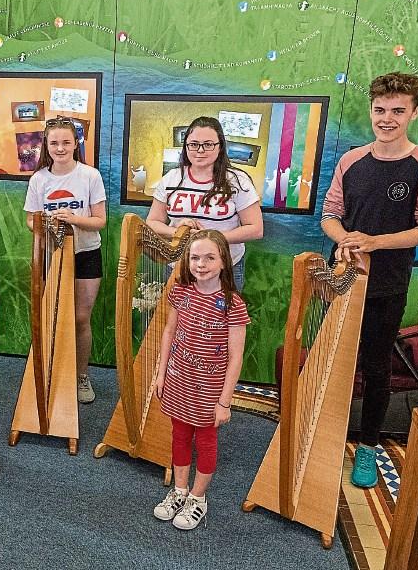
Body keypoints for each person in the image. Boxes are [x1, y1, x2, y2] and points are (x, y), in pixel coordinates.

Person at [321, 71, 418, 489]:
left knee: (376, 367)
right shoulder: (351, 161)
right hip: (342, 278)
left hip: (388, 283)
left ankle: (367, 446)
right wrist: (345, 238)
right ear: (371, 110)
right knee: (334, 359)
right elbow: (330, 215)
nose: (387, 118)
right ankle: (326, 433)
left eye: (398, 111)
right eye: (380, 110)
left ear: (414, 113)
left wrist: (375, 242)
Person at [152, 229, 249, 530]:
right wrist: (161, 373)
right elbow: (169, 332)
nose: (201, 264)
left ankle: (198, 498)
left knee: (205, 442)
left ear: (224, 261)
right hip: (178, 379)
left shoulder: (233, 304)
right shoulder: (180, 292)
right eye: (195, 257)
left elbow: (235, 357)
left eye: (209, 258)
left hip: (210, 389)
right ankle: (180, 490)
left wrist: (225, 402)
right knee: (179, 436)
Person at [23, 117, 106, 403]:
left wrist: (73, 219)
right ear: (46, 145)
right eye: (54, 143)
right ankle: (54, 371)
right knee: (53, 316)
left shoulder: (90, 176)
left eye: (66, 142)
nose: (60, 148)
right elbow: (30, 220)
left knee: (81, 318)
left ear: (75, 144)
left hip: (86, 253)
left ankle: (81, 375)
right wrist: (44, 224)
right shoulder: (39, 179)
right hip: (52, 254)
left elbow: (100, 221)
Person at [146, 116, 263, 292]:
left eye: (208, 144)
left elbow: (256, 229)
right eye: (193, 144)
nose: (200, 150)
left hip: (223, 269)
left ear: (220, 146)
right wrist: (180, 234)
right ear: (186, 147)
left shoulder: (238, 181)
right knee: (174, 311)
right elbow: (152, 222)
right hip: (178, 268)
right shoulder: (171, 178)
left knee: (222, 312)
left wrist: (210, 238)